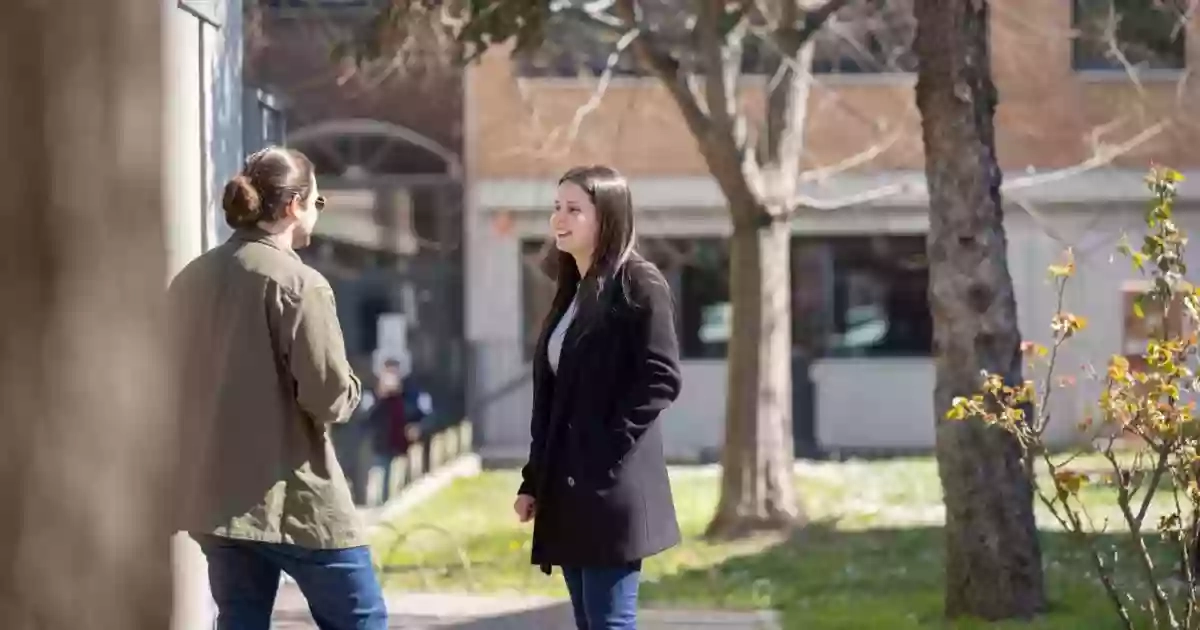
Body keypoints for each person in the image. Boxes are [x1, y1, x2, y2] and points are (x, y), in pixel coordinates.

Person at [170, 146, 388, 630]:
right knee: (363, 619)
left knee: (240, 618)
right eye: (317, 201)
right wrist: (357, 387)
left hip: (217, 497)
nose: (317, 211)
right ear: (293, 206)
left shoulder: (192, 278)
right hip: (294, 497)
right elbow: (327, 396)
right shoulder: (299, 283)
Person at [513, 165, 683, 629]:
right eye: (555, 208)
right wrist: (534, 479)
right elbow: (552, 400)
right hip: (566, 491)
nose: (558, 219)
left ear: (605, 217)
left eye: (573, 209)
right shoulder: (572, 290)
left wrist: (604, 449)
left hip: (611, 489)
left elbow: (661, 377)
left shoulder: (640, 284)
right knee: (589, 622)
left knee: (609, 623)